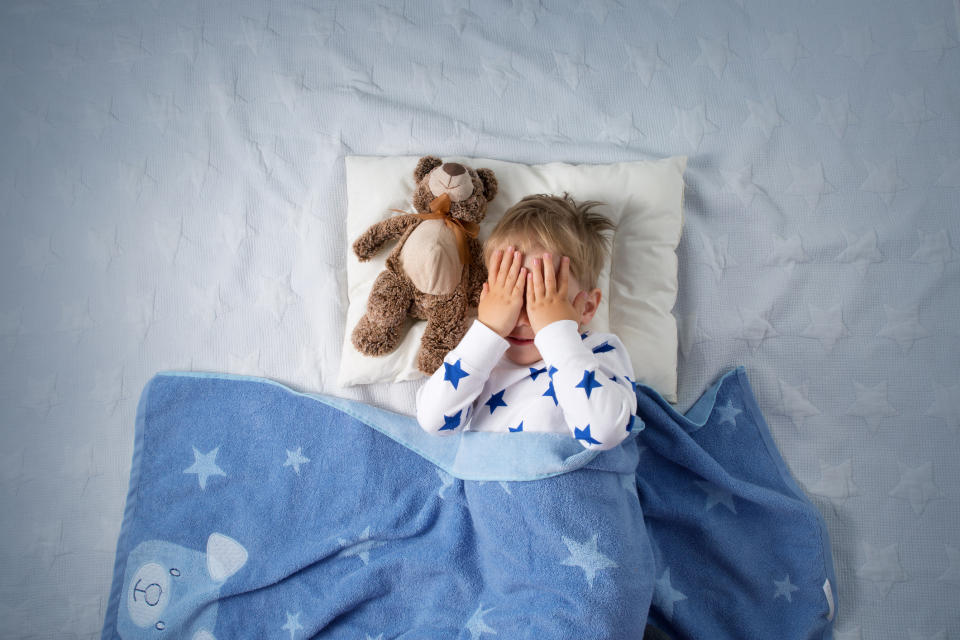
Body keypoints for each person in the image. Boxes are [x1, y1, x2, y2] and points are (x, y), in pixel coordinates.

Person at [415, 193, 638, 451]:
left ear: (586, 307)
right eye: (509, 298)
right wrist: (489, 330)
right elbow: (433, 420)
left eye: (543, 300)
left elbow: (604, 432)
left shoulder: (598, 351)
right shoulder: (482, 359)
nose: (521, 319)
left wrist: (556, 334)